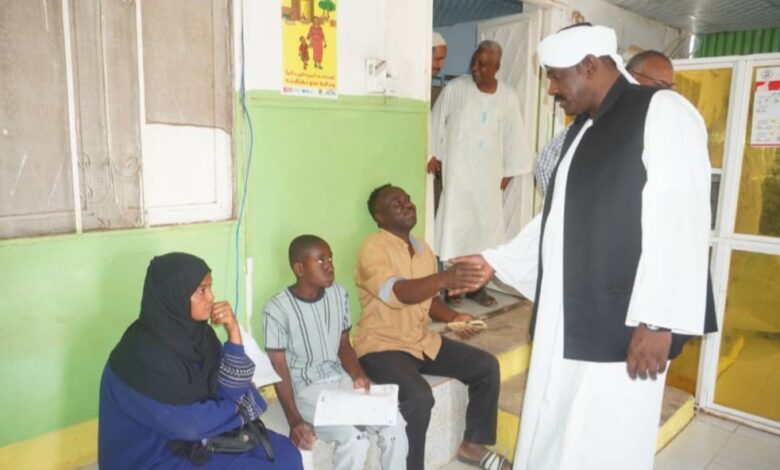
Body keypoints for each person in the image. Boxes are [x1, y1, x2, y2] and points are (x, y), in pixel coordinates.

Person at [453, 25, 717, 469]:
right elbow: (558, 217)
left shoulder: (662, 112)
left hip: (623, 324)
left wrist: (659, 321)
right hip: (566, 317)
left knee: (603, 438)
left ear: (590, 66)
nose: (551, 90)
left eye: (556, 77)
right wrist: (494, 260)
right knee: (556, 426)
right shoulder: (582, 129)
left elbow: (682, 219)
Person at [354, 184, 511, 470]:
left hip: (420, 340)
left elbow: (428, 299)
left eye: (407, 199)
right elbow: (399, 292)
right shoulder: (372, 248)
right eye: (396, 203)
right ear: (379, 217)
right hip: (381, 346)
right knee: (418, 397)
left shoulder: (423, 249)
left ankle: (473, 446)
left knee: (486, 366)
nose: (407, 204)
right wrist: (443, 279)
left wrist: (453, 317)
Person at [98, 253, 302, 470]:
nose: (211, 297)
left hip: (196, 440)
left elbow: (228, 389)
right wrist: (242, 404)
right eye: (202, 291)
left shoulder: (199, 335)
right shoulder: (140, 357)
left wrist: (233, 332)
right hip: (154, 456)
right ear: (174, 295)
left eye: (210, 288)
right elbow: (190, 424)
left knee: (286, 455)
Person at [263, 235, 408, 470]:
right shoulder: (277, 309)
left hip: (341, 380)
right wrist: (294, 420)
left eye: (330, 258)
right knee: (355, 439)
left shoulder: (339, 294)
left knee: (395, 424)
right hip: (308, 392)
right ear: (299, 268)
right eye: (320, 260)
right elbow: (278, 368)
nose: (329, 265)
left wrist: (358, 375)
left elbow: (343, 344)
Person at [430, 40, 531, 306]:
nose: (475, 68)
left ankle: (477, 288)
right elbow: (436, 120)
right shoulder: (455, 88)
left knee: (484, 235)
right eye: (474, 62)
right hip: (458, 177)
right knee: (455, 231)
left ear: (497, 67)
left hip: (488, 180)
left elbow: (514, 137)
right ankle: (452, 288)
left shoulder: (508, 97)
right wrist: (432, 153)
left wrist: (509, 172)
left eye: (483, 64)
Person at [535, 47, 675, 196]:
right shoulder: (593, 121)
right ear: (633, 76)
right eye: (660, 85)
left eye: (669, 87)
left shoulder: (660, 125)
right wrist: (572, 203)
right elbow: (544, 165)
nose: (665, 93)